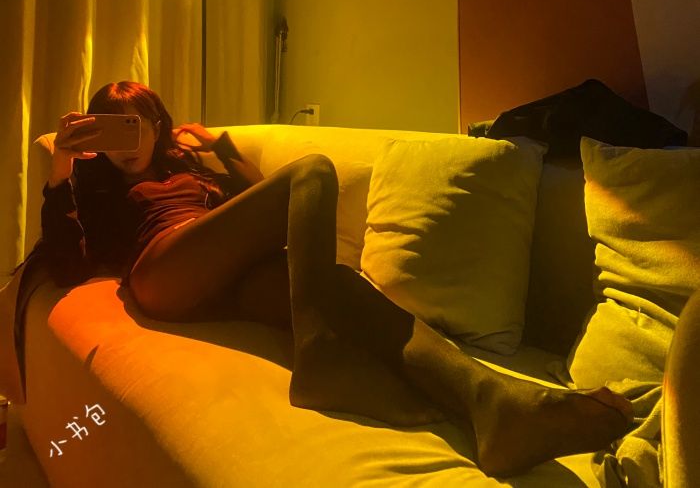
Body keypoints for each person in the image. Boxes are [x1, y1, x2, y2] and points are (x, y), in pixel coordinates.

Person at [33, 81, 634, 478]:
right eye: (110, 127)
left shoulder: (188, 165)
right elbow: (67, 264)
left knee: (340, 283)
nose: (126, 141)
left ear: (156, 124)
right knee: (312, 171)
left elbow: (261, 201)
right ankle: (320, 360)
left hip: (224, 273)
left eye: (135, 123)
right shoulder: (98, 185)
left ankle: (494, 404)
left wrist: (223, 147)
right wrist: (62, 169)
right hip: (163, 273)